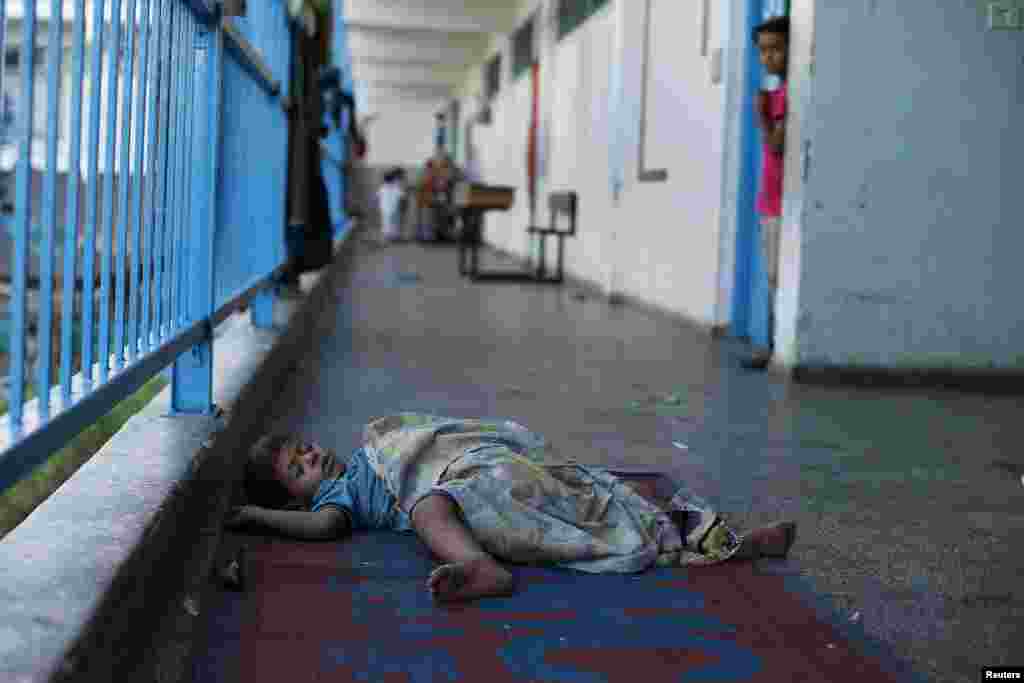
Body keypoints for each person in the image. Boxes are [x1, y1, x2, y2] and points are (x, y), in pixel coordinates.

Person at [227, 414, 798, 604]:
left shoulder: (367, 453)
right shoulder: (337, 499)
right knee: (430, 511)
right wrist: (255, 520)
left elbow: (421, 439)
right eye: (298, 469)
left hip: (464, 463)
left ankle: (729, 538)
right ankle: (480, 567)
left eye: (306, 449)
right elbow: (323, 528)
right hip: (447, 490)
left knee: (590, 488)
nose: (312, 459)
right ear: (293, 497)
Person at [743, 16, 789, 371]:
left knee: (781, 276)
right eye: (762, 51)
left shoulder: (788, 94)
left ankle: (778, 348)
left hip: (784, 202)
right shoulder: (776, 92)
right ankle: (774, 346)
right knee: (774, 276)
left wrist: (762, 115)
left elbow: (776, 145)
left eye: (775, 48)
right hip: (770, 199)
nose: (768, 57)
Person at [377, 168, 407, 243]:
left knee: (386, 222)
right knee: (394, 223)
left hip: (385, 208)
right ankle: (394, 236)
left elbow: (377, 196)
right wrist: (403, 205)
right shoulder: (396, 187)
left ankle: (387, 236)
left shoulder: (382, 188)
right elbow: (402, 197)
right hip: (394, 208)